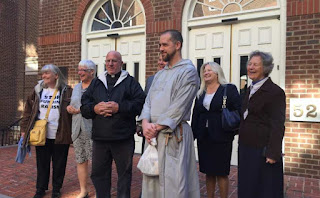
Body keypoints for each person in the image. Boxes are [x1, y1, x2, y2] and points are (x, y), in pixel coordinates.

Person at [138, 29, 200, 198]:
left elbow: (178, 107)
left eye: (165, 44)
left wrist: (155, 127)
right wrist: (145, 124)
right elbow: (147, 103)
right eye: (160, 45)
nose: (161, 48)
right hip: (153, 137)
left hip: (173, 136)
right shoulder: (159, 74)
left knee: (174, 186)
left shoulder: (188, 72)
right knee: (152, 186)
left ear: (177, 45)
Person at [80, 51, 145, 198]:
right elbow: (84, 106)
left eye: (114, 61)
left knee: (124, 174)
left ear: (121, 63)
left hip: (123, 138)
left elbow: (140, 104)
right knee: (98, 174)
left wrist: (119, 108)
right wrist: (94, 109)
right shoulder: (96, 82)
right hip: (100, 138)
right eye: (108, 60)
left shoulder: (130, 82)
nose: (110, 64)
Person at [238, 50, 286, 198]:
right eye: (249, 64)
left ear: (265, 68)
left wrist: (273, 153)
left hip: (263, 151)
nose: (250, 67)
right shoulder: (249, 88)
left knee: (264, 189)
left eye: (255, 65)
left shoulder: (275, 92)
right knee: (247, 186)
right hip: (246, 147)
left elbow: (278, 124)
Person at [20, 64, 72, 198]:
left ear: (56, 75)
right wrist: (24, 129)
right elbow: (28, 111)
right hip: (41, 134)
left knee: (59, 164)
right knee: (42, 164)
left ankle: (56, 189)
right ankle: (40, 189)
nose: (44, 76)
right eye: (43, 74)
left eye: (47, 73)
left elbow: (74, 112)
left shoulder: (67, 91)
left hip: (61, 134)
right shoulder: (38, 90)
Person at [191, 62, 241, 198]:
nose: (206, 73)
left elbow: (239, 110)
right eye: (204, 71)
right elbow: (196, 114)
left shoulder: (228, 89)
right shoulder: (200, 92)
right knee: (208, 172)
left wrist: (234, 130)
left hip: (222, 137)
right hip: (204, 138)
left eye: (209, 70)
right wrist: (193, 134)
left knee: (221, 172)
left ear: (217, 73)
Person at [66, 60, 96, 198]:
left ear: (92, 71)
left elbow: (98, 108)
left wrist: (79, 110)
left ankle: (99, 191)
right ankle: (84, 190)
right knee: (80, 160)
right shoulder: (77, 87)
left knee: (96, 162)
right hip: (77, 129)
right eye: (79, 70)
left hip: (93, 130)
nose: (80, 73)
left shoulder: (98, 87)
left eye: (83, 70)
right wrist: (70, 109)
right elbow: (74, 104)